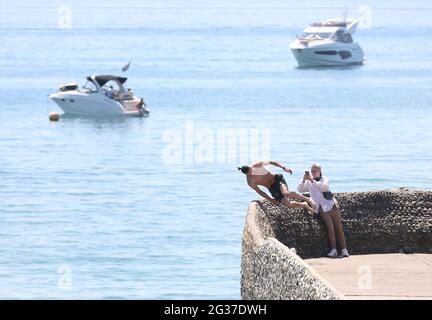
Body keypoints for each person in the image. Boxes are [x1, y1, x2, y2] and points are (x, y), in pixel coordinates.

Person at [298, 163, 349, 258]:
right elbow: (300, 189)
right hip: (322, 208)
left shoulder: (324, 179)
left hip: (332, 205)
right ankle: (333, 250)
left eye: (315, 171)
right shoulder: (308, 182)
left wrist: (312, 180)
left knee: (339, 227)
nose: (313, 172)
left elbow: (324, 187)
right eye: (312, 171)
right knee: (330, 228)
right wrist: (304, 179)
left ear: (320, 171)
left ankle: (344, 249)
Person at [239, 160, 315, 213]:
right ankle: (304, 204)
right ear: (247, 174)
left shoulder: (257, 165)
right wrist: (271, 200)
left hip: (277, 179)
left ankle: (308, 199)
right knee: (289, 204)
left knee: (286, 193)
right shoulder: (250, 182)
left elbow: (271, 162)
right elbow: (260, 192)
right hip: (272, 188)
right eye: (250, 172)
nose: (252, 172)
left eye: (251, 169)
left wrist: (284, 167)